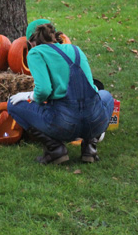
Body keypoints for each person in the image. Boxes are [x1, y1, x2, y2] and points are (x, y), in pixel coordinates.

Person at [7, 19, 114, 165]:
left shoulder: (36, 53)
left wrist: (27, 95)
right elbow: (93, 89)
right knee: (106, 96)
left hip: (65, 125)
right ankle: (90, 147)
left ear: (31, 41)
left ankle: (55, 149)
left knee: (13, 104)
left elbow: (44, 90)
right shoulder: (76, 50)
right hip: (93, 121)